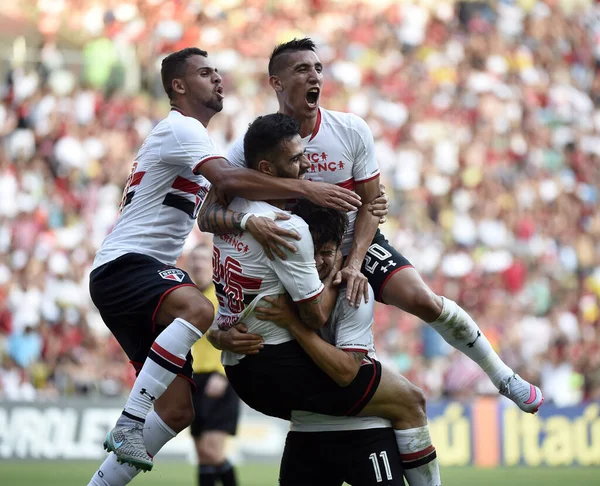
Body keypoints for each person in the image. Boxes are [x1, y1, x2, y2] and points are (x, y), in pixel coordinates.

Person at [222, 38, 543, 414]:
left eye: (318, 68)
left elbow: (373, 205)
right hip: (298, 257)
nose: (315, 76)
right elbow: (213, 211)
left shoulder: (350, 129)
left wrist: (354, 263)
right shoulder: (259, 142)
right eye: (302, 69)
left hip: (354, 242)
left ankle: (502, 375)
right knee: (309, 332)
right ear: (276, 82)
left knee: (423, 299)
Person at [87, 46, 362, 482]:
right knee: (199, 309)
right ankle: (129, 422)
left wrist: (254, 214)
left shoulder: (193, 139)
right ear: (179, 86)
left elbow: (213, 210)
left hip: (130, 274)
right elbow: (229, 180)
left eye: (217, 72)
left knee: (177, 410)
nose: (218, 79)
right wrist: (309, 191)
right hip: (128, 263)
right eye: (204, 73)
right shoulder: (182, 129)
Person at [207, 113, 441, 486]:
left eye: (327, 252)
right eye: (296, 159)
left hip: (243, 369)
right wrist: (341, 272)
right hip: (277, 369)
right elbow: (316, 320)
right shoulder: (291, 232)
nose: (308, 164)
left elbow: (207, 218)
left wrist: (217, 334)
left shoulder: (231, 212)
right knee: (409, 400)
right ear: (267, 167)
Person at [189, 241, 240, 486]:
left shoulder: (224, 298)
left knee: (212, 451)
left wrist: (223, 373)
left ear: (213, 265)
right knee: (202, 455)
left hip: (218, 378)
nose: (198, 265)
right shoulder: (187, 298)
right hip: (193, 381)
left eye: (203, 260)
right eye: (194, 260)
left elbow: (239, 337)